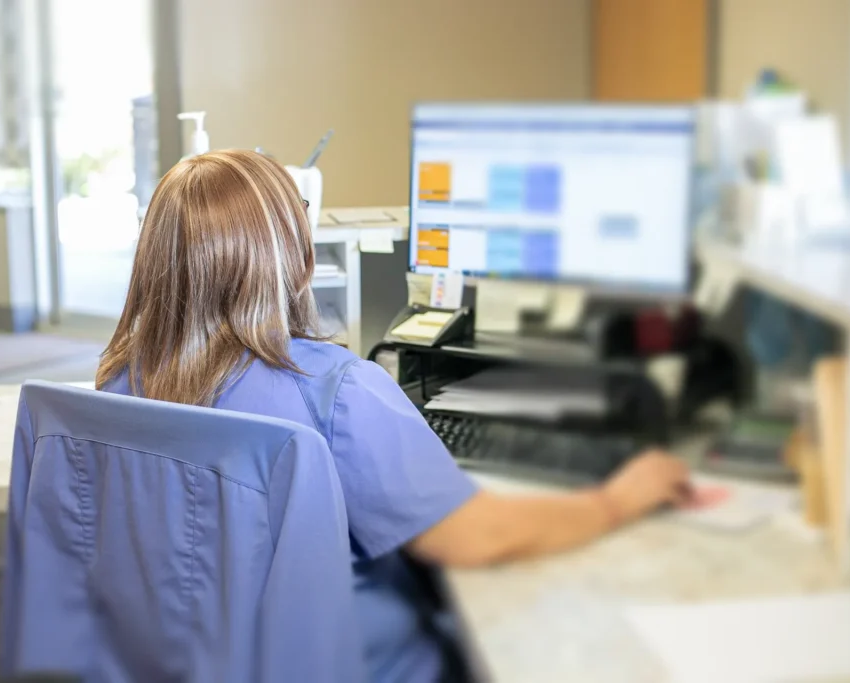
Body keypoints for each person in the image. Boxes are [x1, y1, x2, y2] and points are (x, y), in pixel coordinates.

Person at [96, 149, 692, 683]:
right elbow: (476, 538)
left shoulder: (113, 389)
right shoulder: (334, 391)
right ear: (299, 262)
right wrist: (615, 500)